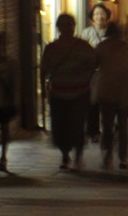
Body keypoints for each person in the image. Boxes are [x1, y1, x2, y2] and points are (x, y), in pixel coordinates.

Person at [41, 14, 98, 170]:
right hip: (59, 93)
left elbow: (93, 64)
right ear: (59, 27)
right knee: (61, 126)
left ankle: (77, 153)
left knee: (77, 125)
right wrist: (45, 92)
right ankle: (65, 155)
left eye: (70, 24)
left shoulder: (83, 46)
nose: (68, 27)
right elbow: (44, 70)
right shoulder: (51, 48)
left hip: (79, 92)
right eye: (65, 24)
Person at [92, 23, 128, 169]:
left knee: (107, 125)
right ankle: (123, 157)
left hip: (107, 90)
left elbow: (93, 64)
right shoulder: (127, 48)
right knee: (123, 126)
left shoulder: (101, 47)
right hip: (124, 91)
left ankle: (107, 154)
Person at [80, 3, 110, 143]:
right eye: (96, 13)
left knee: (106, 103)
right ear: (92, 17)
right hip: (91, 73)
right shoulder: (86, 33)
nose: (99, 16)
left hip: (106, 73)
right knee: (92, 103)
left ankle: (108, 129)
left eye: (102, 13)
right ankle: (93, 131)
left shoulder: (111, 33)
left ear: (107, 16)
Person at [0, 32, 17, 172]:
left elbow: (13, 82)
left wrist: (13, 100)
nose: (1, 46)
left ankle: (3, 158)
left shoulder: (10, 62)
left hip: (4, 101)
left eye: (3, 43)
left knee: (5, 130)